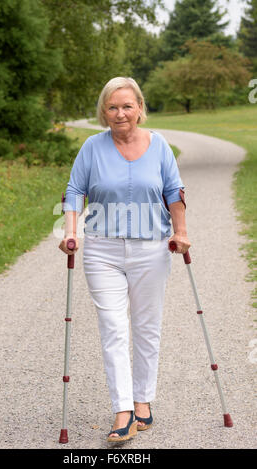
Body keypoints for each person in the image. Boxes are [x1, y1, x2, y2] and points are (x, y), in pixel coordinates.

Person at [59, 77, 191, 443]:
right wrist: (70, 231)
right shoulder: (92, 147)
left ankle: (143, 400)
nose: (120, 113)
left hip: (151, 249)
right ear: (104, 111)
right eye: (113, 107)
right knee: (113, 329)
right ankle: (123, 411)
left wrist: (180, 231)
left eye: (127, 106)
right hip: (103, 249)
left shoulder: (159, 144)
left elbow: (173, 191)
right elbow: (75, 191)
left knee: (147, 327)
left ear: (139, 108)